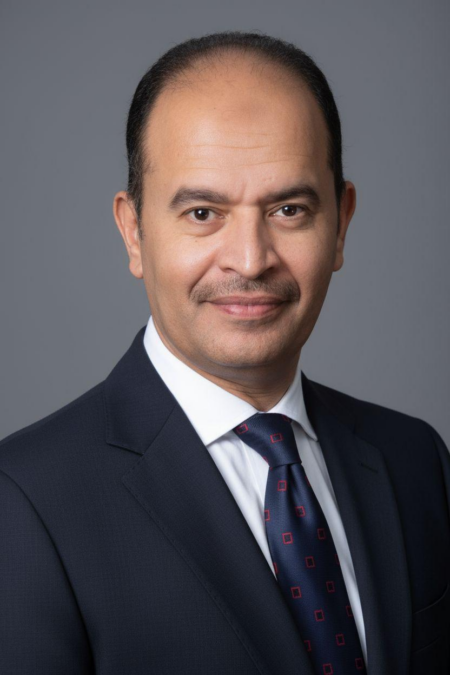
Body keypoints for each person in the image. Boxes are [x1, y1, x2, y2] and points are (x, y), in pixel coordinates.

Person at [0, 30, 449, 675]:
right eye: (203, 213)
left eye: (288, 209)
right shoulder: (22, 502)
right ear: (134, 232)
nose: (250, 259)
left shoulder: (417, 460)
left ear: (340, 224)